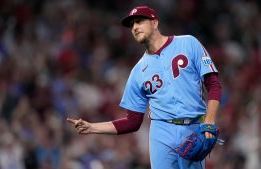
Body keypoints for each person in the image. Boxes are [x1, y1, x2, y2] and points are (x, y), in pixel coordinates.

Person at [67, 5, 222, 169]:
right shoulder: (138, 71)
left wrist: (209, 121)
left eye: (139, 21)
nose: (134, 27)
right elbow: (132, 122)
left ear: (155, 23)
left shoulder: (188, 43)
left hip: (193, 127)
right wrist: (92, 127)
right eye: (132, 25)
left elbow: (213, 84)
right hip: (161, 131)